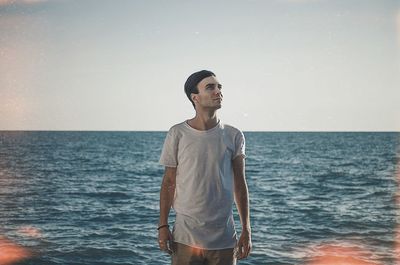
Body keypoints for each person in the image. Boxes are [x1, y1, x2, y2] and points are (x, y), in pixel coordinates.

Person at [158, 70, 252, 265]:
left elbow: (240, 185)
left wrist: (246, 229)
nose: (218, 91)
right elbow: (168, 182)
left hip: (224, 238)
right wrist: (163, 226)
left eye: (219, 87)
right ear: (195, 97)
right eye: (210, 87)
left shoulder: (234, 135)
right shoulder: (177, 134)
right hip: (185, 237)